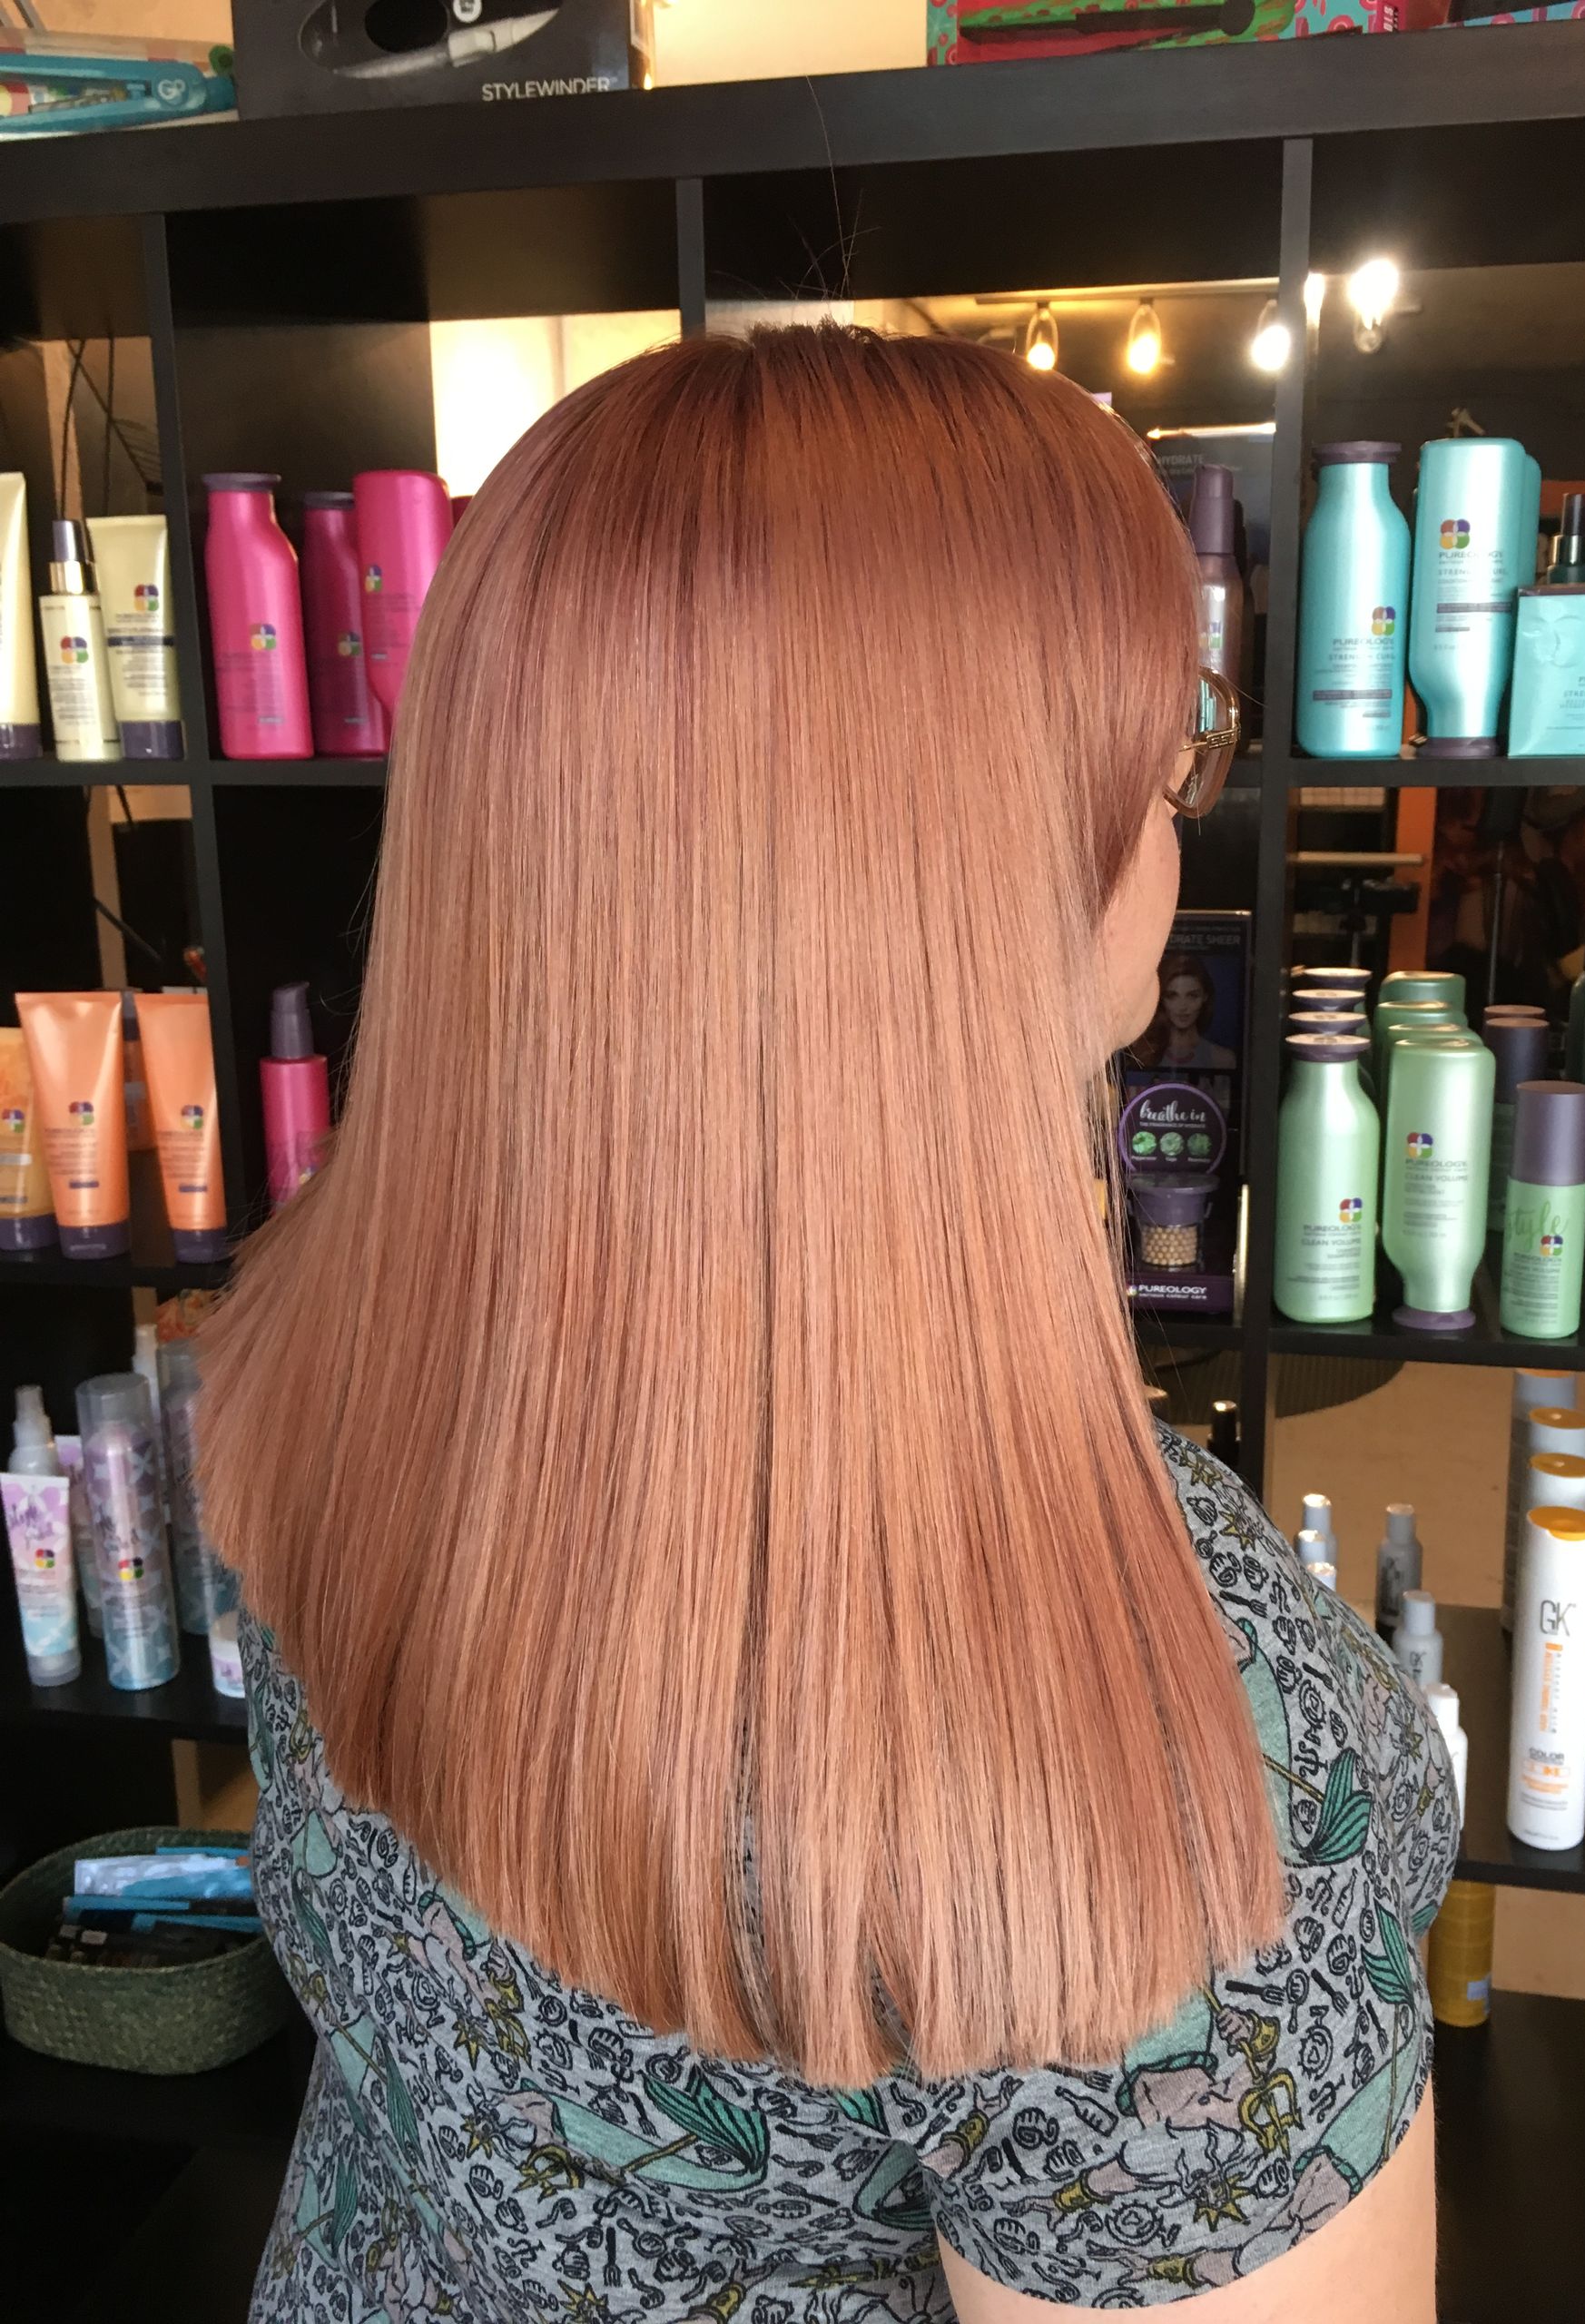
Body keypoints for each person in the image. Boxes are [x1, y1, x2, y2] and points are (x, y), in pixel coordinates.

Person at [200, 325, 1453, 2324]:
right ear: (946, 890)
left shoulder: (324, 1348)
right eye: (1172, 733)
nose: (1179, 800)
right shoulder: (1180, 1756)